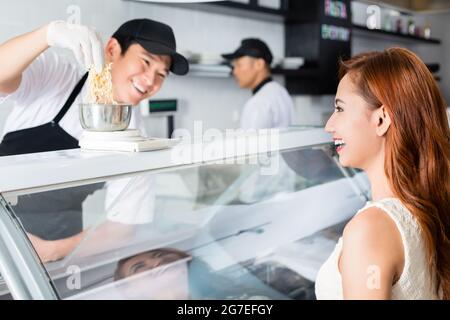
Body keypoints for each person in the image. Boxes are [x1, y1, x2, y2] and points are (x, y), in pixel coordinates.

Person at [0, 18, 189, 262]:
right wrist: (47, 35)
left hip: (53, 247)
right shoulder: (58, 77)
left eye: (161, 75)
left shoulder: (137, 143)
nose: (150, 80)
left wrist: (49, 251)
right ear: (112, 50)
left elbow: (121, 229)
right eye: (145, 62)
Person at [315, 47, 450, 299]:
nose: (329, 125)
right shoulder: (428, 206)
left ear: (381, 119)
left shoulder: (369, 230)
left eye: (340, 109)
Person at [222, 38, 294, 130]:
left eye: (239, 65)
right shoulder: (281, 92)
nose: (234, 71)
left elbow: (252, 143)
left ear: (259, 64)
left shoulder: (258, 103)